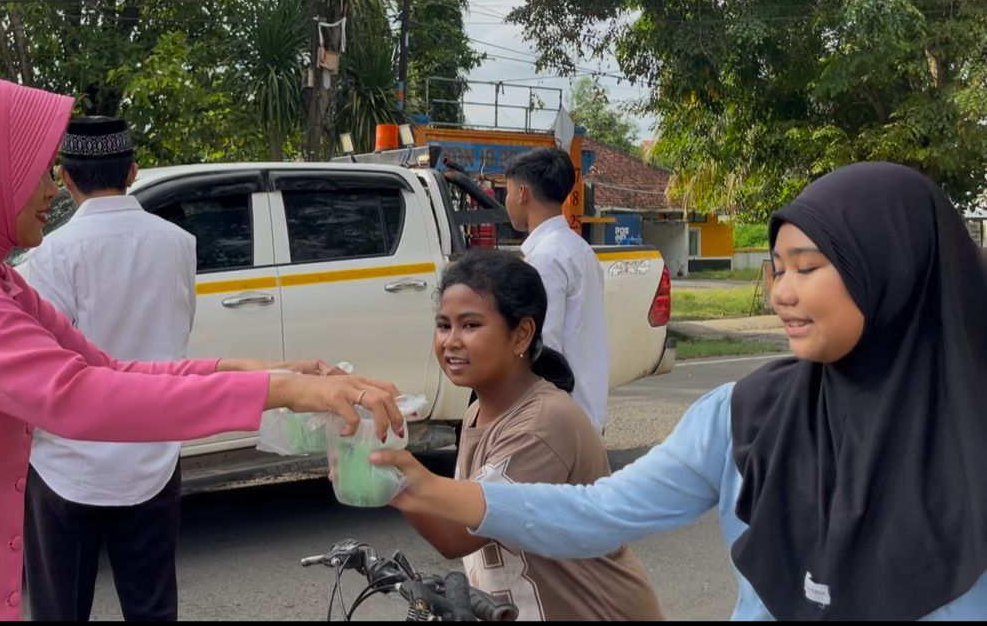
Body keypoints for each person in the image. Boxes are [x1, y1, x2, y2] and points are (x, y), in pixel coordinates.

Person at [0, 71, 404, 621]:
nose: (52, 190)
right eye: (34, 169)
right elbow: (74, 396)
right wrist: (282, 390)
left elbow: (106, 366)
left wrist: (263, 371)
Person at [373, 162, 987, 620]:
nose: (781, 293)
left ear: (892, 269)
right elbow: (601, 512)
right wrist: (426, 487)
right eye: (777, 269)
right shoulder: (745, 416)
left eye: (807, 268)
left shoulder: (971, 435)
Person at [399, 249, 662, 620]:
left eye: (470, 325)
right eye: (444, 325)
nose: (451, 341)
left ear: (521, 334)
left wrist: (389, 471)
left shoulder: (543, 425)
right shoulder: (478, 411)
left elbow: (457, 533)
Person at [17, 115, 194, 621]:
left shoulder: (48, 256)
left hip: (65, 465)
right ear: (132, 171)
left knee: (60, 611)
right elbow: (178, 334)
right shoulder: (179, 244)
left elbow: (46, 365)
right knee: (153, 610)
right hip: (152, 455)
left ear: (65, 177)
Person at [502, 148, 609, 430]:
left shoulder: (545, 258)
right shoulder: (580, 249)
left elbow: (543, 348)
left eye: (507, 192)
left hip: (557, 420)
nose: (506, 201)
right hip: (585, 411)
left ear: (522, 193)